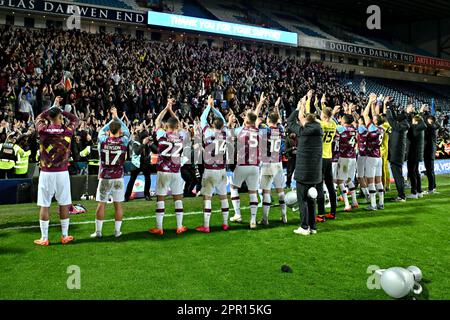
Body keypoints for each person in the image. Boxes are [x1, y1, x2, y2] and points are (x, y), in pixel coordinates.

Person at [34, 96, 79, 246]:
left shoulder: (43, 130)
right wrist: (61, 110)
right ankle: (64, 235)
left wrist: (53, 108)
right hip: (62, 172)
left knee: (45, 205)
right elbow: (75, 119)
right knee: (64, 204)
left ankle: (44, 238)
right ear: (60, 117)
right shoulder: (67, 131)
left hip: (46, 172)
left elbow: (39, 117)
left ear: (49, 117)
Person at [149, 99, 189, 235]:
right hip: (176, 171)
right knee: (178, 198)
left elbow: (156, 121)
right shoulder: (181, 136)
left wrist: (166, 108)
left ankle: (159, 228)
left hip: (162, 171)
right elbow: (180, 125)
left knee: (160, 198)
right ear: (177, 127)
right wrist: (172, 111)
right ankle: (179, 226)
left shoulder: (162, 135)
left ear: (167, 127)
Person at [91, 107, 130, 238]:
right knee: (118, 205)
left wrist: (111, 120)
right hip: (118, 177)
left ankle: (98, 232)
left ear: (109, 131)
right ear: (120, 131)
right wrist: (116, 117)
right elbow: (127, 130)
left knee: (101, 204)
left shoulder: (103, 140)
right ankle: (117, 232)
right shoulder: (124, 141)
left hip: (105, 177)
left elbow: (101, 130)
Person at [287, 96, 323, 235]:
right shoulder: (319, 130)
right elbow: (305, 120)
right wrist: (303, 110)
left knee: (302, 200)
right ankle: (313, 227)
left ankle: (304, 227)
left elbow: (290, 122)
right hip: (315, 172)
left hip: (303, 172)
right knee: (311, 199)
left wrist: (297, 108)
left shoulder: (303, 131)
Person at [195, 96, 230, 233]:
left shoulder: (208, 132)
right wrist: (214, 108)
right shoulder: (225, 132)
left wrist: (209, 106)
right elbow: (222, 119)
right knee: (223, 197)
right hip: (221, 170)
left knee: (207, 197)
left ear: (212, 125)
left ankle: (206, 226)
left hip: (209, 170)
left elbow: (203, 119)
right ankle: (225, 223)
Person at [229, 93, 264, 229]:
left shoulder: (240, 131)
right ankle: (253, 220)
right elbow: (253, 117)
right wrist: (259, 103)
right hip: (255, 166)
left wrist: (230, 122)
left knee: (233, 188)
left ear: (245, 121)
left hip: (242, 164)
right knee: (253, 192)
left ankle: (237, 214)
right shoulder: (258, 132)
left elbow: (228, 135)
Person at [258, 97, 287, 225]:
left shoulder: (266, 129)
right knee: (280, 191)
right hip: (279, 163)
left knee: (266, 191)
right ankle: (284, 216)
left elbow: (255, 118)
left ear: (268, 120)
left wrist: (260, 103)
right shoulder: (281, 129)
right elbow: (279, 120)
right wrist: (276, 107)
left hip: (267, 163)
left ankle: (265, 219)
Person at [362, 93, 385, 211]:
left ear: (375, 121)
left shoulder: (372, 128)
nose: (372, 117)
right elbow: (373, 115)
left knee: (370, 181)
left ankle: (373, 204)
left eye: (374, 118)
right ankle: (381, 203)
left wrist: (370, 101)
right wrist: (373, 104)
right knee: (378, 181)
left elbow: (365, 114)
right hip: (379, 157)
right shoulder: (381, 129)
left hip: (371, 157)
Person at [385, 102, 410, 202]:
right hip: (396, 154)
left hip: (397, 154)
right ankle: (401, 195)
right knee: (398, 175)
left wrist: (388, 109)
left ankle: (401, 196)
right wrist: (391, 108)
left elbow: (391, 120)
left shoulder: (402, 125)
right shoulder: (402, 124)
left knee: (398, 176)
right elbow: (394, 119)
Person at [317, 106, 337, 220]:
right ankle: (333, 212)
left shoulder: (322, 124)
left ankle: (320, 214)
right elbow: (330, 117)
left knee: (319, 185)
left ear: (324, 116)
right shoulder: (333, 125)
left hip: (321, 157)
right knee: (330, 186)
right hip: (329, 157)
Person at [335, 114, 358, 212]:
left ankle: (347, 204)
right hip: (353, 157)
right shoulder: (354, 129)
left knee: (340, 181)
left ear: (344, 120)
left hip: (344, 158)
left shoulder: (341, 129)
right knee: (349, 180)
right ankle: (355, 202)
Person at [124, 130, 153, 201]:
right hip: (136, 164)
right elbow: (137, 152)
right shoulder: (135, 143)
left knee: (148, 178)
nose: (147, 138)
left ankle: (147, 195)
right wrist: (143, 144)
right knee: (132, 180)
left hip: (145, 163)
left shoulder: (148, 142)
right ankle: (126, 196)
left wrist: (151, 144)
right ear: (143, 138)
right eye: (146, 137)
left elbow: (155, 150)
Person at [406, 109, 426, 199]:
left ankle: (414, 192)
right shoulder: (419, 129)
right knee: (416, 172)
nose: (412, 122)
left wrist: (410, 114)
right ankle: (419, 191)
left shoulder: (416, 128)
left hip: (413, 154)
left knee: (412, 172)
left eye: (413, 121)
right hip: (417, 153)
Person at [422, 105, 439, 194]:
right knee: (429, 170)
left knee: (430, 170)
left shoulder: (431, 127)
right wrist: (427, 112)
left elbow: (424, 122)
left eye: (428, 119)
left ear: (430, 121)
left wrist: (422, 112)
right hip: (429, 151)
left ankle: (431, 188)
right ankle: (433, 187)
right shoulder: (433, 126)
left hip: (429, 151)